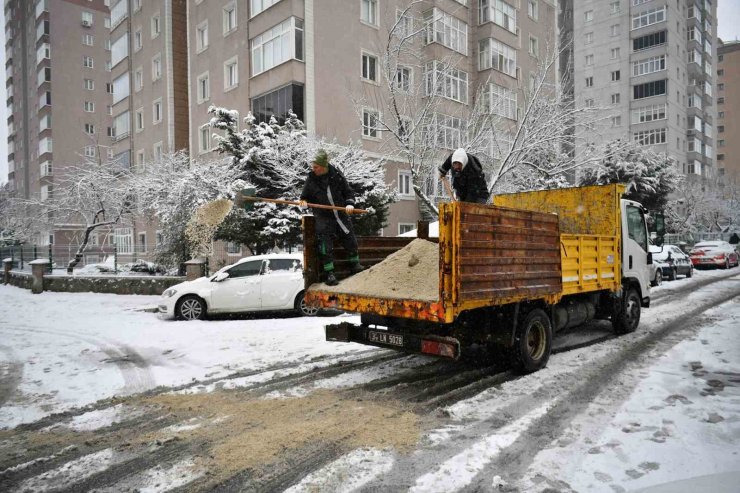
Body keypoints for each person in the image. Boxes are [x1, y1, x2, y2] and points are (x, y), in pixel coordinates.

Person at [300, 149, 364, 286]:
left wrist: (350, 204)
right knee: (324, 243)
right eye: (313, 167)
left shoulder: (336, 175)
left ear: (324, 166)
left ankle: (355, 265)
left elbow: (348, 192)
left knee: (349, 236)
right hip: (323, 216)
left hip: (340, 213)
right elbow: (304, 196)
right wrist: (304, 202)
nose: (314, 169)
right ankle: (329, 273)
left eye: (316, 167)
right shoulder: (311, 179)